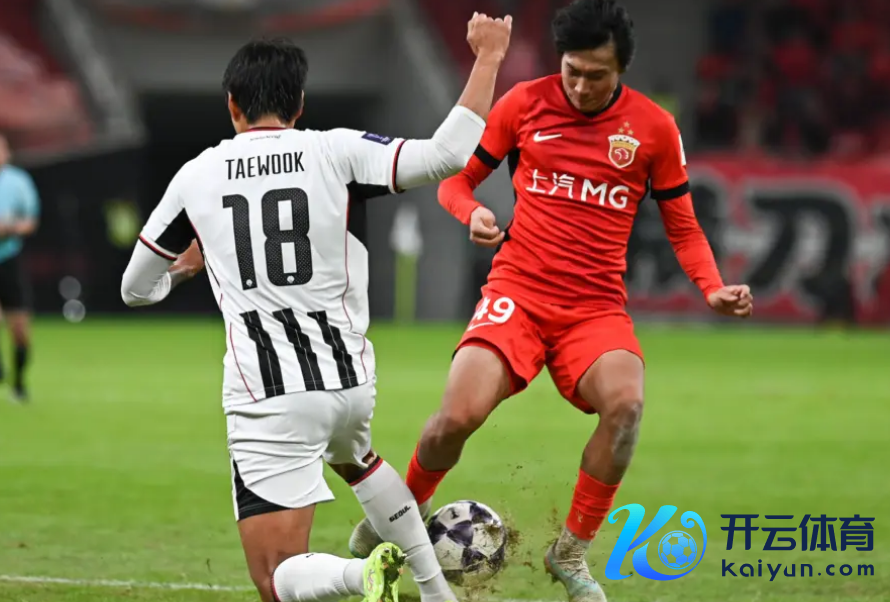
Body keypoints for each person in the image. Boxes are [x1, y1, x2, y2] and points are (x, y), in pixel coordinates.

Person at [348, 2, 754, 601]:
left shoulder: (653, 129)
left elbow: (684, 226)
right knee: (456, 418)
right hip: (517, 293)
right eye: (573, 72)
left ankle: (569, 552)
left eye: (597, 75)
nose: (582, 86)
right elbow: (455, 181)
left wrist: (712, 286)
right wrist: (473, 212)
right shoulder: (523, 104)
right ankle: (404, 509)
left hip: (595, 308)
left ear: (621, 69)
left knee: (626, 406)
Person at [120, 16, 512, 602]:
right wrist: (488, 58)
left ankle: (361, 575)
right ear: (299, 103)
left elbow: (134, 287)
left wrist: (183, 271)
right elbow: (447, 154)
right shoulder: (335, 150)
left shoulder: (195, 176)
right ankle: (437, 593)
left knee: (274, 578)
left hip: (270, 397)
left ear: (232, 106)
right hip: (348, 383)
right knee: (358, 459)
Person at [0, 133, 40, 403]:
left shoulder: (18, 182)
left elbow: (30, 221)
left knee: (20, 329)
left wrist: (10, 228)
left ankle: (19, 383)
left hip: (8, 259)